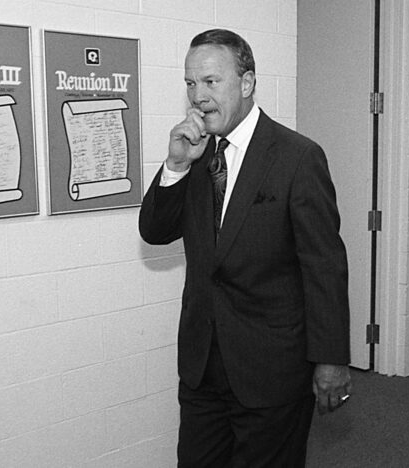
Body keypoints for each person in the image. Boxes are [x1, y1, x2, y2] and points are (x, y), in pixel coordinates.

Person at [139, 29, 352, 467]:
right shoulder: (196, 154)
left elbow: (324, 267)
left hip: (271, 372)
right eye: (190, 84)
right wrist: (176, 165)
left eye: (211, 82)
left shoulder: (296, 156)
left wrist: (331, 360)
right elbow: (155, 231)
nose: (198, 96)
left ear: (247, 83)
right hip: (202, 368)